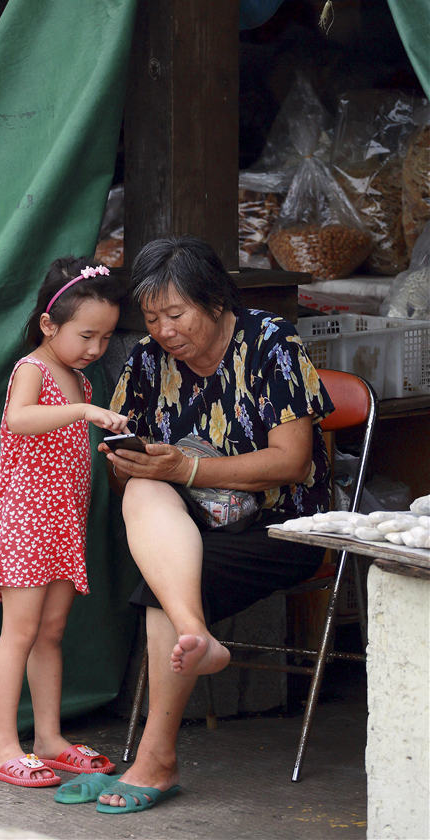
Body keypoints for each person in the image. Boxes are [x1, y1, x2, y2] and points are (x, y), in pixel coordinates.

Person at [61, 235, 333, 815]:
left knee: (165, 588)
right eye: (153, 317)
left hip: (283, 525)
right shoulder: (145, 361)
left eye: (176, 313)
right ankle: (197, 638)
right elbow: (121, 479)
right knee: (144, 487)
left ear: (213, 301)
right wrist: (136, 462)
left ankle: (156, 759)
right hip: (187, 525)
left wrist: (188, 466)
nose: (164, 331)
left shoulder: (269, 341)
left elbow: (294, 461)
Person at [0, 256, 129, 788]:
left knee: (51, 632)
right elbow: (18, 421)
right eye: (86, 335)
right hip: (27, 522)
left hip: (63, 523)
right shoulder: (33, 369)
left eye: (106, 338)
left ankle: (48, 738)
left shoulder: (78, 379)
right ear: (49, 325)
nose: (95, 348)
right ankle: (2, 747)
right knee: (17, 634)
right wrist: (85, 414)